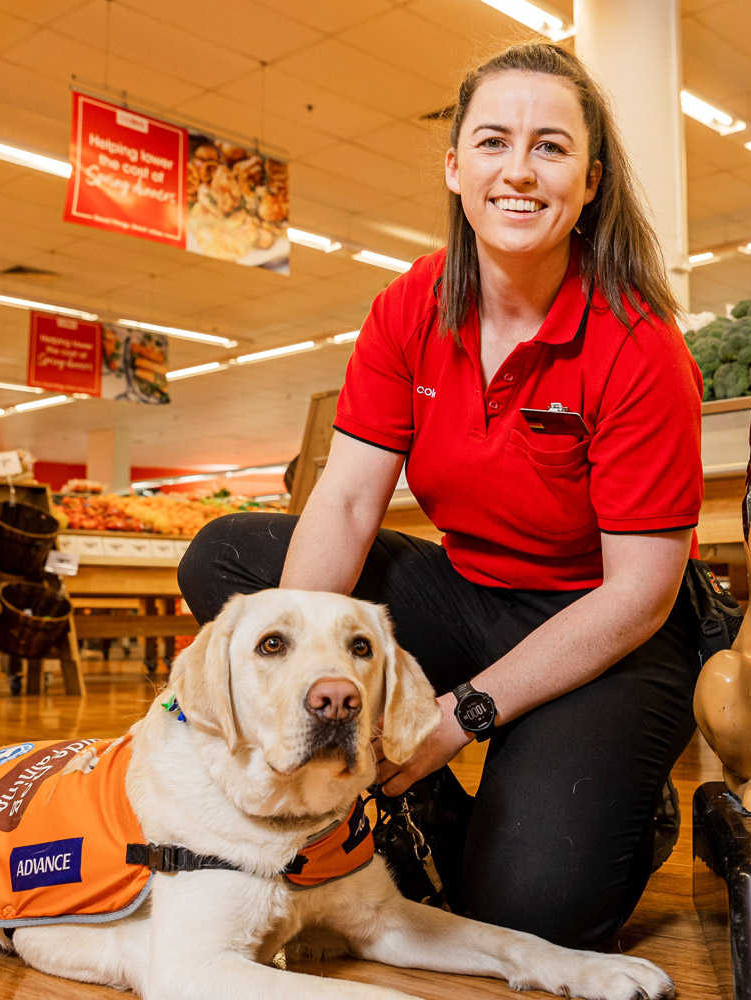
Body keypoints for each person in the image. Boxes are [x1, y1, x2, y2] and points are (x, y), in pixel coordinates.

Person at [178, 41, 708, 949]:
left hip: (608, 624)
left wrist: (458, 718)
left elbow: (640, 594)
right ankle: (408, 790)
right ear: (455, 166)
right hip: (469, 594)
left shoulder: (637, 344)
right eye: (494, 141)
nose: (519, 171)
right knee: (231, 556)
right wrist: (314, 674)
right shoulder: (411, 307)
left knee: (534, 915)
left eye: (551, 147)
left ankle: (627, 803)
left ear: (591, 180)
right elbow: (345, 502)